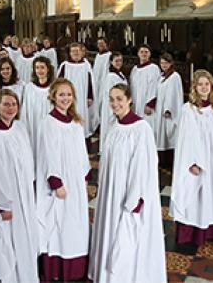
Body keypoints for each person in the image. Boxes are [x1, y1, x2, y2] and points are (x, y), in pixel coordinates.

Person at [88, 84, 166, 283]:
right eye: (112, 99)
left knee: (127, 238)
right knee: (110, 231)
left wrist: (135, 199)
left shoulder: (141, 128)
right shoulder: (114, 127)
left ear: (129, 99)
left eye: (119, 99)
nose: (115, 103)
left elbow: (144, 165)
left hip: (130, 197)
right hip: (111, 194)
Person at [0, 89, 39, 283]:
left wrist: (30, 187)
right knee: (7, 242)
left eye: (14, 104)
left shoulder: (19, 128)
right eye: (6, 104)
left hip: (23, 196)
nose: (11, 108)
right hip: (5, 203)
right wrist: (2, 206)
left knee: (23, 239)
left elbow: (28, 159)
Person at [170, 69, 213, 245]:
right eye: (200, 84)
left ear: (211, 86)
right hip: (198, 161)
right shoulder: (188, 110)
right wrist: (192, 162)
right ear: (194, 87)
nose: (204, 87)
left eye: (207, 84)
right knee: (195, 195)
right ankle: (193, 233)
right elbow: (184, 139)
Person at [36, 78, 91, 281]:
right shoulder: (48, 122)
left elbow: (82, 150)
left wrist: (85, 174)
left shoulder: (76, 121)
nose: (65, 98)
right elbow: (48, 153)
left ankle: (76, 268)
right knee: (59, 223)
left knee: (76, 223)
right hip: (59, 183)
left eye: (69, 94)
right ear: (53, 96)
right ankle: (57, 269)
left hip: (76, 180)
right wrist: (56, 182)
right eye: (61, 94)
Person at [21, 56, 55, 161]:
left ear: (48, 69)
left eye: (42, 67)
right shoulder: (29, 88)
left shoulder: (53, 88)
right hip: (33, 126)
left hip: (49, 127)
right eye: (37, 67)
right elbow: (25, 109)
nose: (39, 70)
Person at [58, 43, 94, 138]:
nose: (76, 53)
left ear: (81, 52)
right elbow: (59, 83)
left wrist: (90, 96)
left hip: (82, 97)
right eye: (73, 51)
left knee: (82, 116)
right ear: (70, 53)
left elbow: (91, 82)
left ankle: (82, 137)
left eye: (77, 51)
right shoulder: (65, 66)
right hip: (67, 98)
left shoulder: (86, 65)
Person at [153, 53, 184, 151]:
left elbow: (175, 94)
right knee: (161, 135)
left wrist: (169, 109)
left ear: (171, 63)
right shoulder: (162, 76)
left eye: (166, 63)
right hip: (160, 108)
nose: (164, 65)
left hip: (169, 110)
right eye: (161, 63)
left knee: (169, 134)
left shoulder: (175, 76)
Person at [99, 51, 127, 152]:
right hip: (113, 108)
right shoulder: (111, 76)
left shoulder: (119, 74)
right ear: (111, 62)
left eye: (120, 60)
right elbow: (112, 95)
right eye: (116, 61)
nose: (119, 63)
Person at [129, 44, 161, 130]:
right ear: (138, 54)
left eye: (146, 52)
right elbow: (131, 87)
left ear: (150, 54)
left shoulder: (153, 68)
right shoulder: (134, 69)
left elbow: (154, 87)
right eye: (141, 52)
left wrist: (150, 104)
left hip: (146, 105)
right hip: (136, 104)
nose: (144, 54)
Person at [92, 37, 111, 130]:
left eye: (102, 44)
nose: (101, 46)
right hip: (97, 83)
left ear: (106, 44)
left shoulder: (109, 55)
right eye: (99, 44)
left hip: (104, 83)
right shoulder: (98, 56)